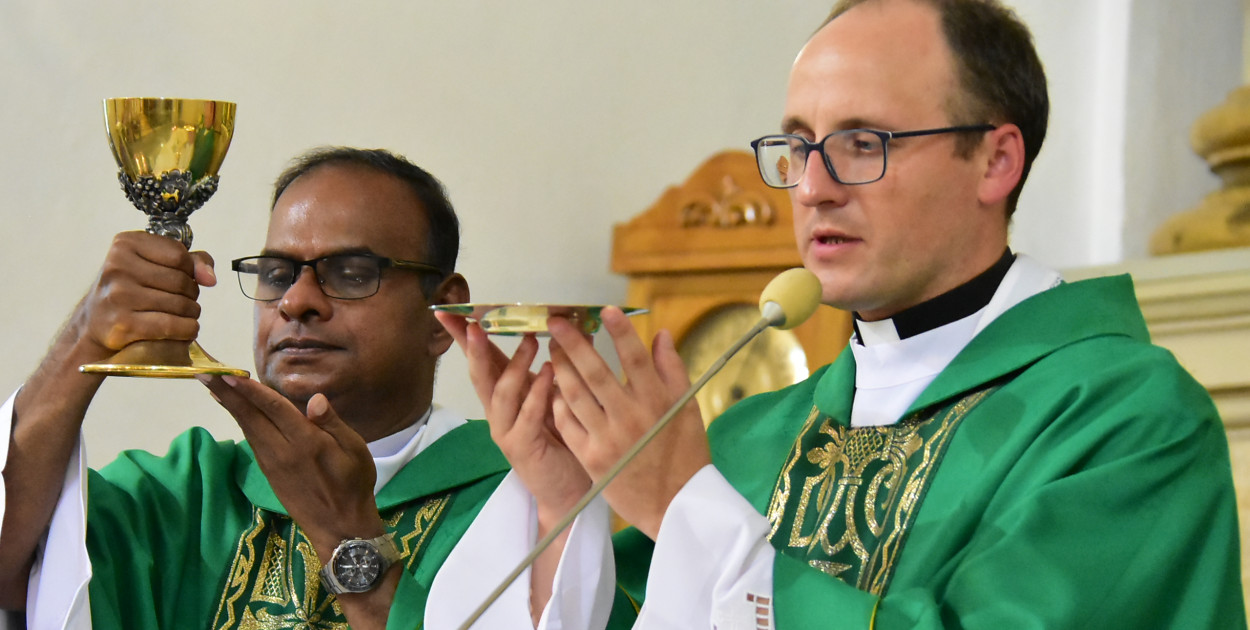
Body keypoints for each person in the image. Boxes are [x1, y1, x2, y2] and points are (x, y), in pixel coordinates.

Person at [441, 0, 1248, 627]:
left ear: (997, 160)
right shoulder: (752, 437)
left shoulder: (1127, 421)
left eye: (864, 142)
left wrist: (688, 511)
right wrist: (560, 504)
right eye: (798, 145)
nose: (815, 186)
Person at [0, 147, 526, 629]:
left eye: (349, 273)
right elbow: (10, 567)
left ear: (443, 316)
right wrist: (85, 338)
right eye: (277, 274)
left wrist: (346, 539)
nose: (296, 302)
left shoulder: (525, 501)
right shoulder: (191, 498)